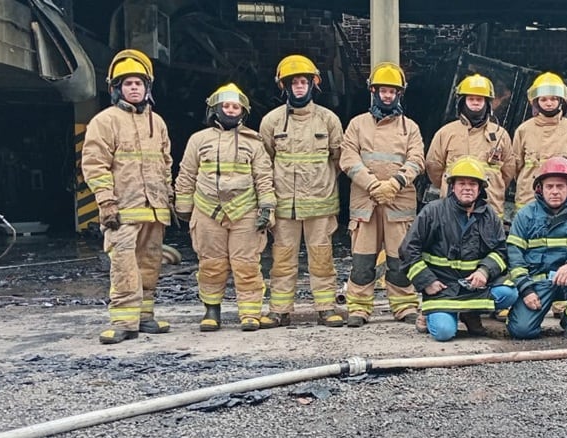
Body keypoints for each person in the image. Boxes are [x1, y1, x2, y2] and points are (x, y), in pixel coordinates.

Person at [82, 49, 173, 344]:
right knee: (123, 265)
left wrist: (169, 197)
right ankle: (123, 321)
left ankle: (144, 316)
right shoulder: (105, 121)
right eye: (127, 83)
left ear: (147, 87)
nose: (134, 88)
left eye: (138, 83)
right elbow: (95, 164)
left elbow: (166, 162)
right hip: (122, 210)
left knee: (150, 263)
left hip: (154, 210)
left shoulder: (157, 122)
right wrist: (106, 201)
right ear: (116, 88)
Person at [174, 83, 275, 332]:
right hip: (207, 210)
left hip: (245, 211)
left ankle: (250, 313)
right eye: (226, 106)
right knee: (211, 263)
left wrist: (267, 208)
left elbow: (264, 177)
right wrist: (183, 207)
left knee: (247, 264)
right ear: (215, 109)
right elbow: (186, 174)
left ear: (243, 112)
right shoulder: (198, 140)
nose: (231, 110)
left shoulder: (254, 142)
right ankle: (211, 311)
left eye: (235, 107)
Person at [258, 55, 345, 328]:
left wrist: (320, 183)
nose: (298, 87)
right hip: (285, 205)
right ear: (284, 86)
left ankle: (326, 308)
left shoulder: (328, 120)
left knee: (322, 259)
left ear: (312, 84)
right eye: (293, 82)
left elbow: (339, 159)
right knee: (282, 259)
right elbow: (264, 161)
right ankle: (279, 310)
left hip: (320, 205)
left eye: (303, 82)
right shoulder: (271, 121)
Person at [339, 62, 425, 327]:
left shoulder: (410, 128)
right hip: (366, 203)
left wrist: (395, 184)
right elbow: (348, 158)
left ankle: (404, 305)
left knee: (399, 259)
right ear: (373, 91)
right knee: (362, 260)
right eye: (383, 91)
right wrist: (374, 185)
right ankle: (359, 307)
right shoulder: (357, 125)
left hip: (399, 205)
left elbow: (417, 160)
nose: (387, 96)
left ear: (399, 94)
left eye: (392, 91)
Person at [400, 157, 518, 341]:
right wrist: (427, 281)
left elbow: (501, 251)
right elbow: (408, 249)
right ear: (452, 187)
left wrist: (484, 271)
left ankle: (469, 313)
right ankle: (430, 313)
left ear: (480, 188)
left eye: (472, 184)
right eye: (462, 183)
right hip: (442, 288)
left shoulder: (489, 216)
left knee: (509, 293)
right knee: (444, 333)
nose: (467, 188)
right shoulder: (433, 212)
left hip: (475, 287)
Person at [506, 157, 567, 340]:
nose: (555, 191)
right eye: (549, 186)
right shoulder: (525, 215)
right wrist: (526, 290)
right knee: (521, 331)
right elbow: (514, 257)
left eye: (560, 186)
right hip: (537, 284)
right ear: (540, 188)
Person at [424, 73, 515, 218]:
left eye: (479, 99)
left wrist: (493, 188)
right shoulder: (446, 133)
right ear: (462, 102)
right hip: (452, 210)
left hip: (489, 211)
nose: (475, 103)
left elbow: (508, 171)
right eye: (471, 99)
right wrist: (447, 186)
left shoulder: (501, 135)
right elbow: (434, 167)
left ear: (487, 103)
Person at [511, 71, 567, 208]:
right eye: (543, 99)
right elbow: (515, 166)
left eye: (554, 99)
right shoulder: (524, 130)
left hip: (560, 201)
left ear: (561, 101)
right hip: (527, 199)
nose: (549, 103)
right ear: (536, 102)